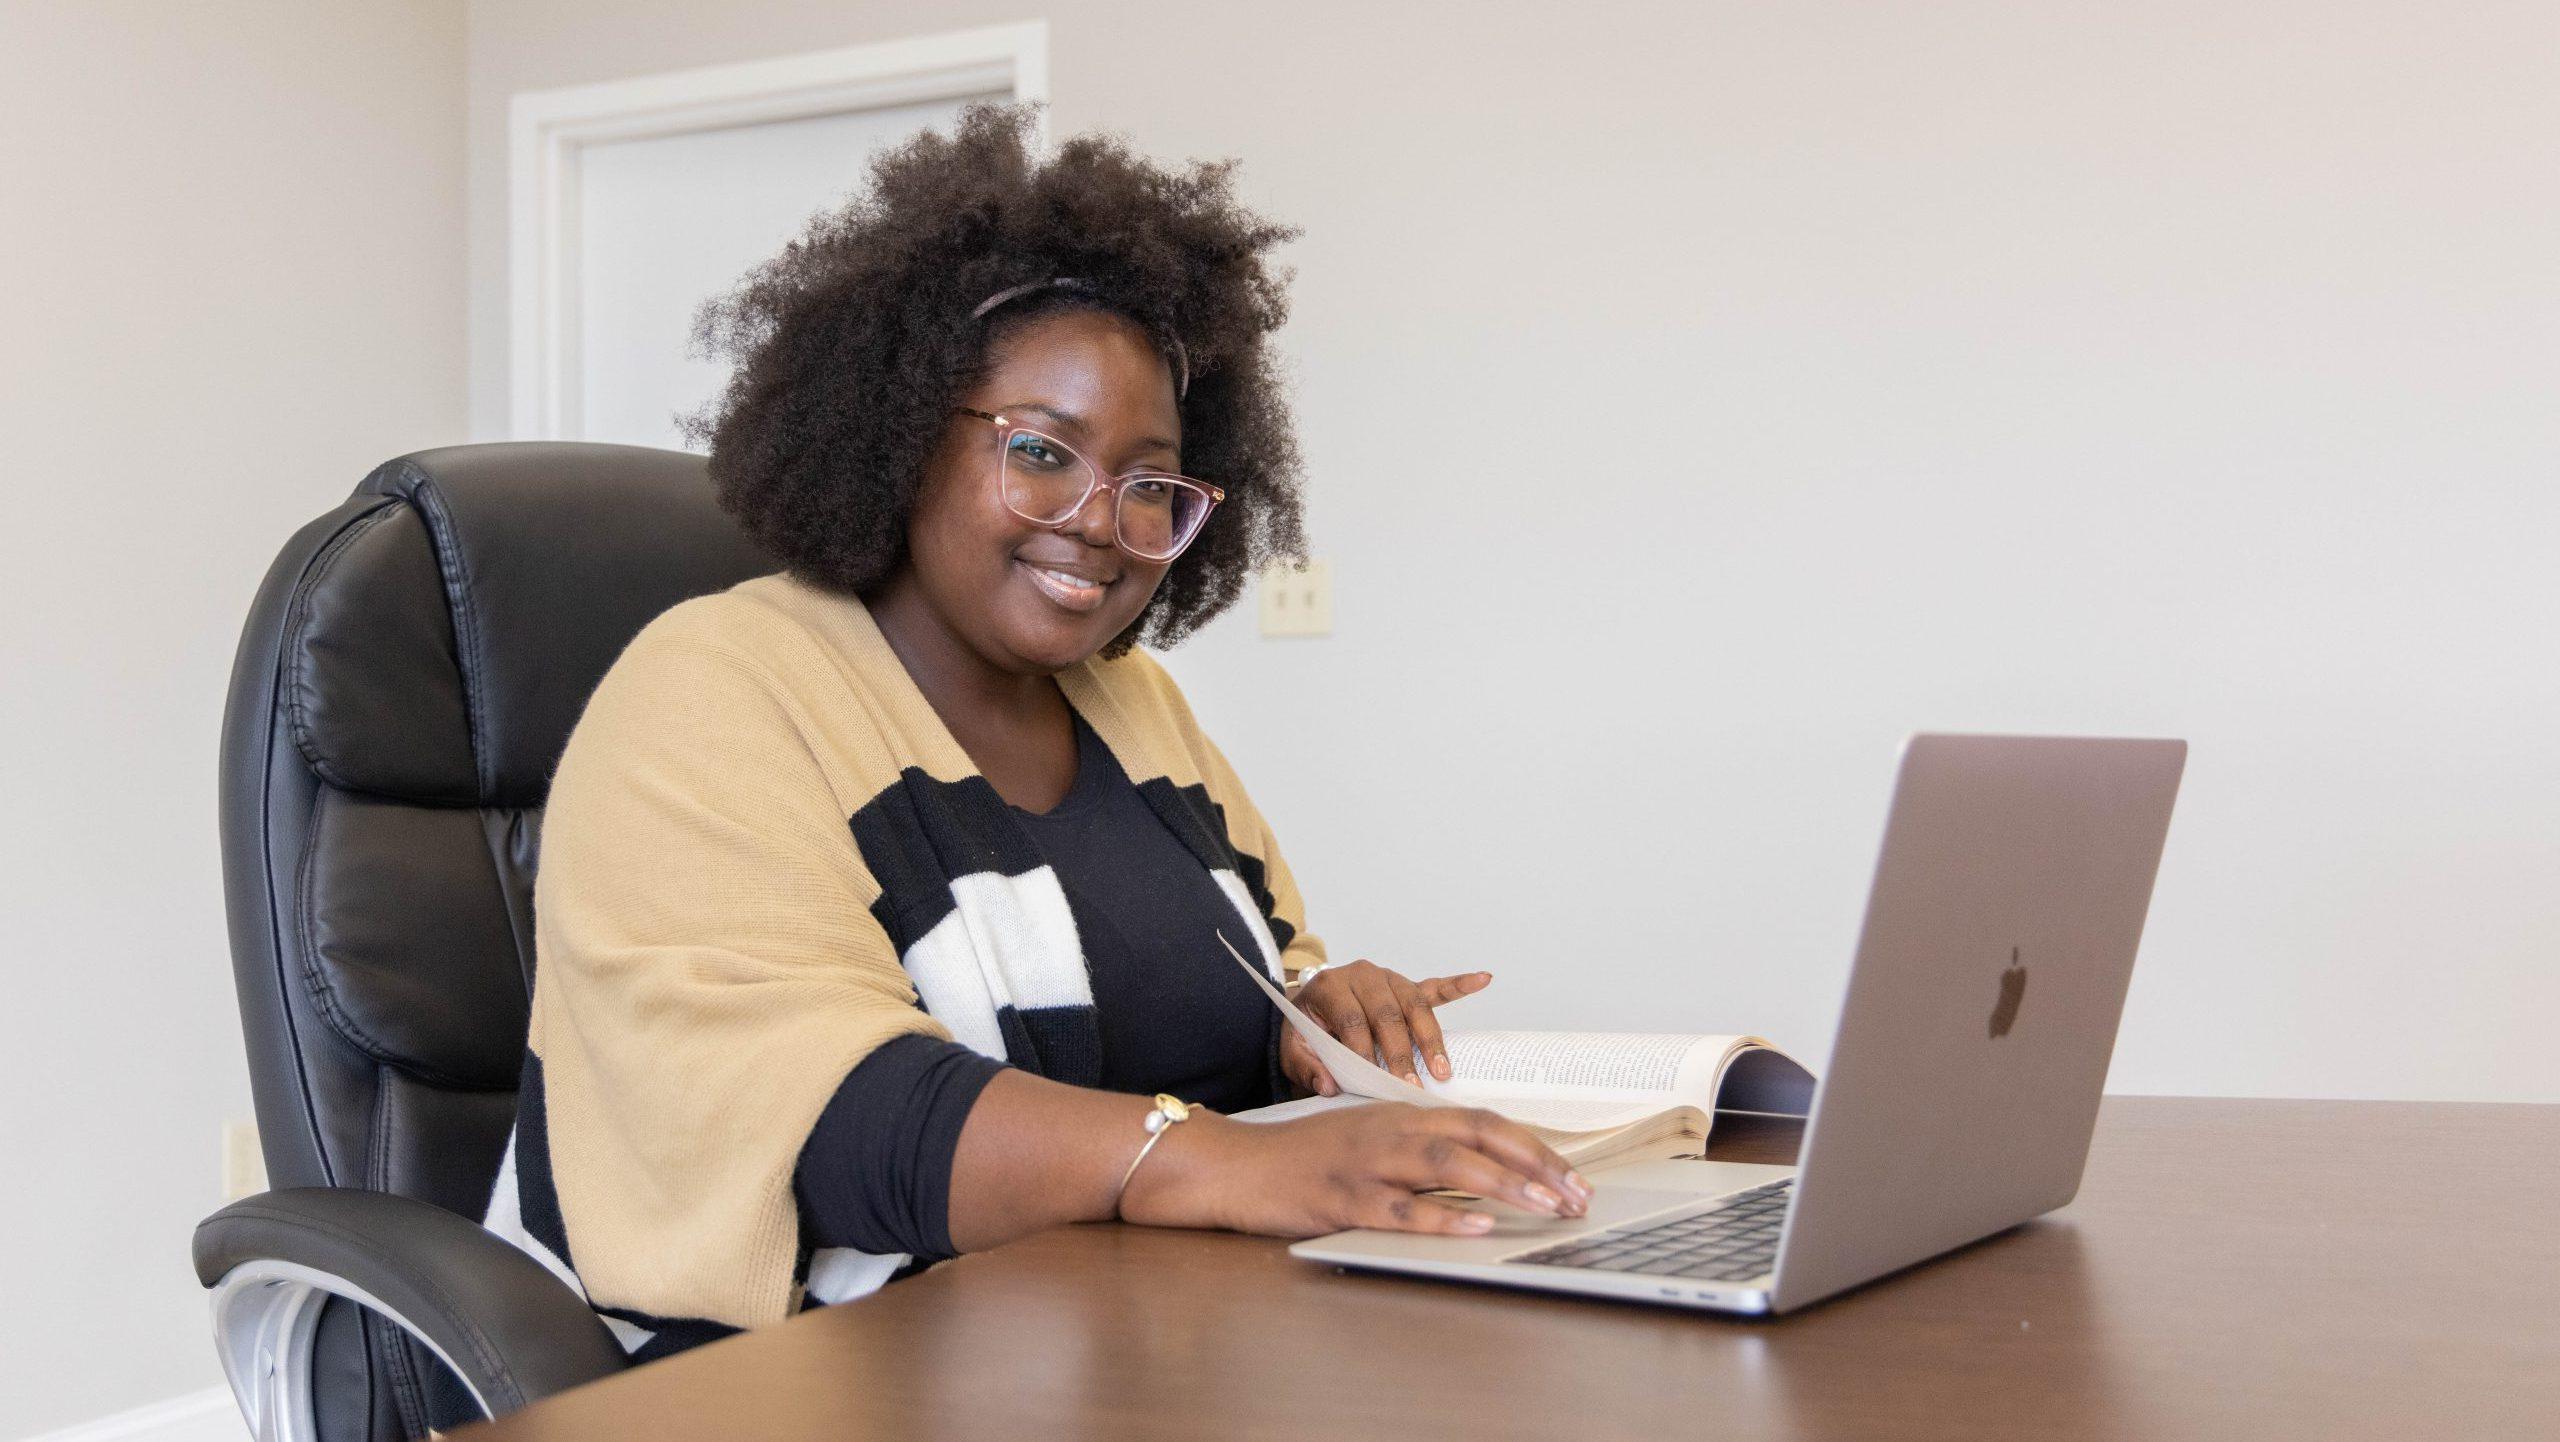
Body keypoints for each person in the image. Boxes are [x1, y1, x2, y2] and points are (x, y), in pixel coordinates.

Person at [480, 101, 1589, 1361]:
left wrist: (1312, 1026)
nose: (1098, 522)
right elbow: (818, 1124)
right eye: (1041, 452)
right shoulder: (713, 688)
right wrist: (1209, 1158)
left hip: (1129, 1344)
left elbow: (1245, 979)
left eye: (1149, 483)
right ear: (897, 431)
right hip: (797, 1374)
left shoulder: (1138, 707)